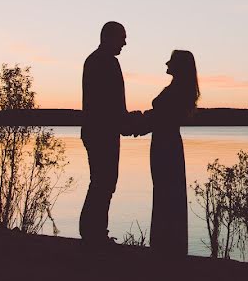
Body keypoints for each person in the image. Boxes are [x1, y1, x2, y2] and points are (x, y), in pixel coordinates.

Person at [143, 49, 200, 256]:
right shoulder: (178, 88)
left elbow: (163, 117)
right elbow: (160, 116)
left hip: (166, 143)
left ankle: (166, 245)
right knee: (166, 191)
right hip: (164, 141)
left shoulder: (178, 90)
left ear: (179, 66)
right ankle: (167, 243)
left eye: (171, 61)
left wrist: (138, 124)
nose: (166, 64)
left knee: (167, 191)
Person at [78, 21, 130, 245]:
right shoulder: (105, 62)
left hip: (98, 130)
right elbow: (111, 102)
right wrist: (125, 122)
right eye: (122, 38)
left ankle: (94, 232)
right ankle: (94, 234)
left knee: (102, 182)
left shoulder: (94, 60)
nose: (125, 43)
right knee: (104, 182)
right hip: (103, 132)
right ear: (109, 37)